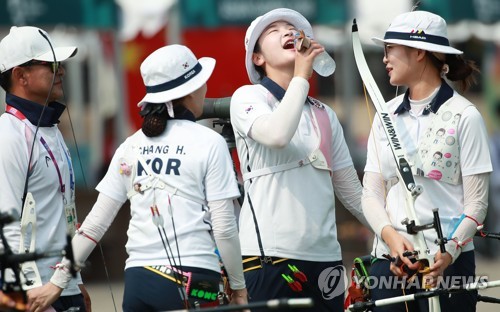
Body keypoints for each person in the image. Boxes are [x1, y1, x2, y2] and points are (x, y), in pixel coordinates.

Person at [28, 44, 248, 311]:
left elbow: (94, 225)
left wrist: (56, 283)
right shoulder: (210, 142)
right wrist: (238, 287)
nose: (206, 89)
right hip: (194, 279)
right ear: (191, 90)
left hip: (137, 281)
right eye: (203, 82)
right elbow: (224, 226)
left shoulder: (130, 146)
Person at [230, 8, 369, 311]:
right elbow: (277, 134)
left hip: (327, 259)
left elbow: (351, 192)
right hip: (270, 255)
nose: (287, 31)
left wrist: (392, 233)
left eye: (291, 27)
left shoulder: (324, 113)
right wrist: (301, 76)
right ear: (257, 58)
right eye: (273, 30)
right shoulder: (248, 97)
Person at [362, 10, 492, 311]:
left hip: (449, 264)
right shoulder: (386, 116)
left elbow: (476, 204)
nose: (384, 58)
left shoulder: (465, 115)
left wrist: (450, 251)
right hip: (390, 263)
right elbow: (371, 193)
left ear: (419, 51)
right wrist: (391, 238)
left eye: (390, 49)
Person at [0, 26, 91, 311]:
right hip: (36, 294)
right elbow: (7, 224)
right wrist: (32, 293)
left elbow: (61, 215)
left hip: (62, 286)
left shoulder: (50, 128)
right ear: (20, 75)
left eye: (61, 64)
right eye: (50, 64)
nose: (61, 70)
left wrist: (75, 281)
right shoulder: (9, 134)